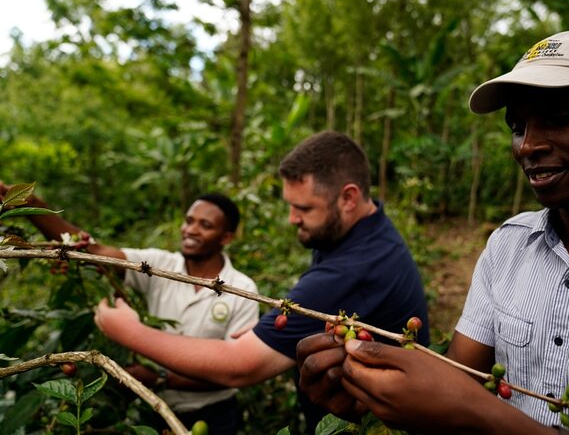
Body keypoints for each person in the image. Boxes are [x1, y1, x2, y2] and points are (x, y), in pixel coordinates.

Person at [296, 30, 569, 435]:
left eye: (561, 118)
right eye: (517, 127)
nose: (527, 146)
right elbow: (460, 381)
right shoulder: (508, 247)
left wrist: (479, 414)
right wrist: (375, 395)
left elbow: (464, 403)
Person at [92, 130, 431, 433]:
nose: (292, 219)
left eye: (303, 208)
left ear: (348, 197)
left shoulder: (354, 267)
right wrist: (279, 332)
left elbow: (241, 366)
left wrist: (129, 332)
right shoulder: (354, 233)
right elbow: (325, 309)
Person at [0, 185, 259, 434]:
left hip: (214, 414)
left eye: (205, 225)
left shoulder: (242, 288)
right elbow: (96, 253)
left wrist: (159, 377)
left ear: (226, 237)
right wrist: (33, 204)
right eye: (189, 220)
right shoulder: (160, 265)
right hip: (153, 409)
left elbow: (235, 369)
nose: (190, 230)